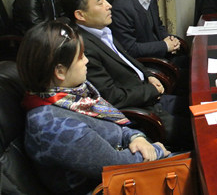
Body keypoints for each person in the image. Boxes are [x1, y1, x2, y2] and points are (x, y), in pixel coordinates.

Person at [17, 21, 169, 194]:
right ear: (60, 72)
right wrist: (157, 150)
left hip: (132, 168)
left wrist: (136, 137)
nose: (87, 61)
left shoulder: (75, 93)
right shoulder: (55, 126)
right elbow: (115, 166)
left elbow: (115, 123)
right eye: (81, 57)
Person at [61, 0, 191, 148]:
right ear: (80, 14)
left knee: (202, 105)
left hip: (151, 98)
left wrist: (147, 74)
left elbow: (128, 59)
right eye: (100, 2)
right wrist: (151, 90)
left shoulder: (102, 30)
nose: (109, 5)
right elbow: (112, 98)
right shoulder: (83, 48)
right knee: (203, 128)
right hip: (143, 116)